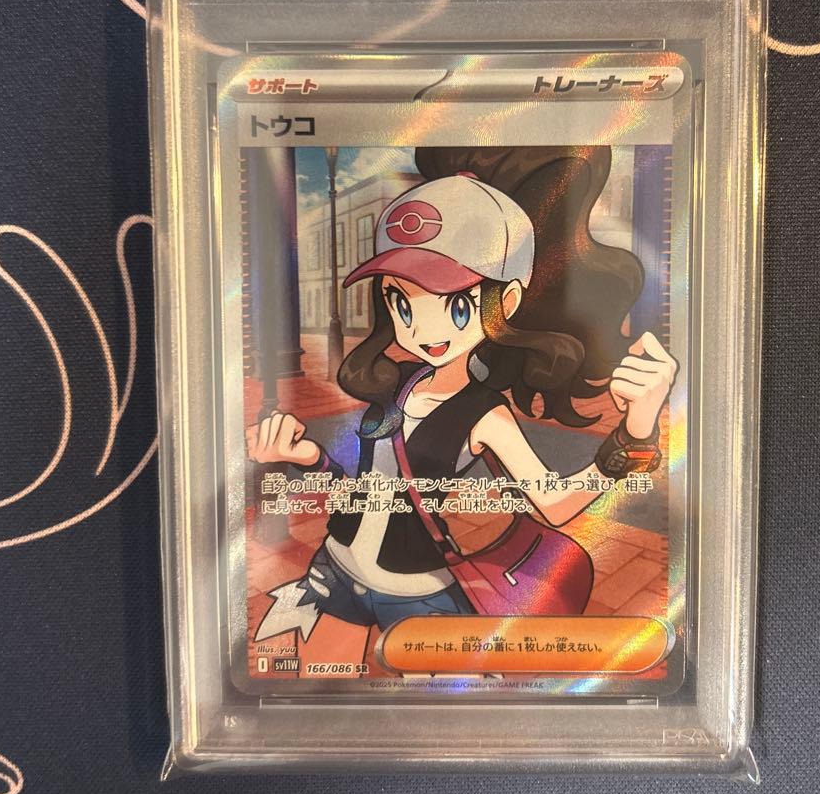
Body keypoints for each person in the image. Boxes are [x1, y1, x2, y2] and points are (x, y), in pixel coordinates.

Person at [248, 147, 677, 672]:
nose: (424, 330)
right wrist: (309, 458)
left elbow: (554, 504)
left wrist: (635, 435)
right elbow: (367, 489)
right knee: (316, 701)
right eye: (403, 304)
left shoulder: (484, 413)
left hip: (414, 594)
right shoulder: (399, 383)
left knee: (441, 718)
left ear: (507, 302)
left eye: (455, 306)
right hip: (334, 570)